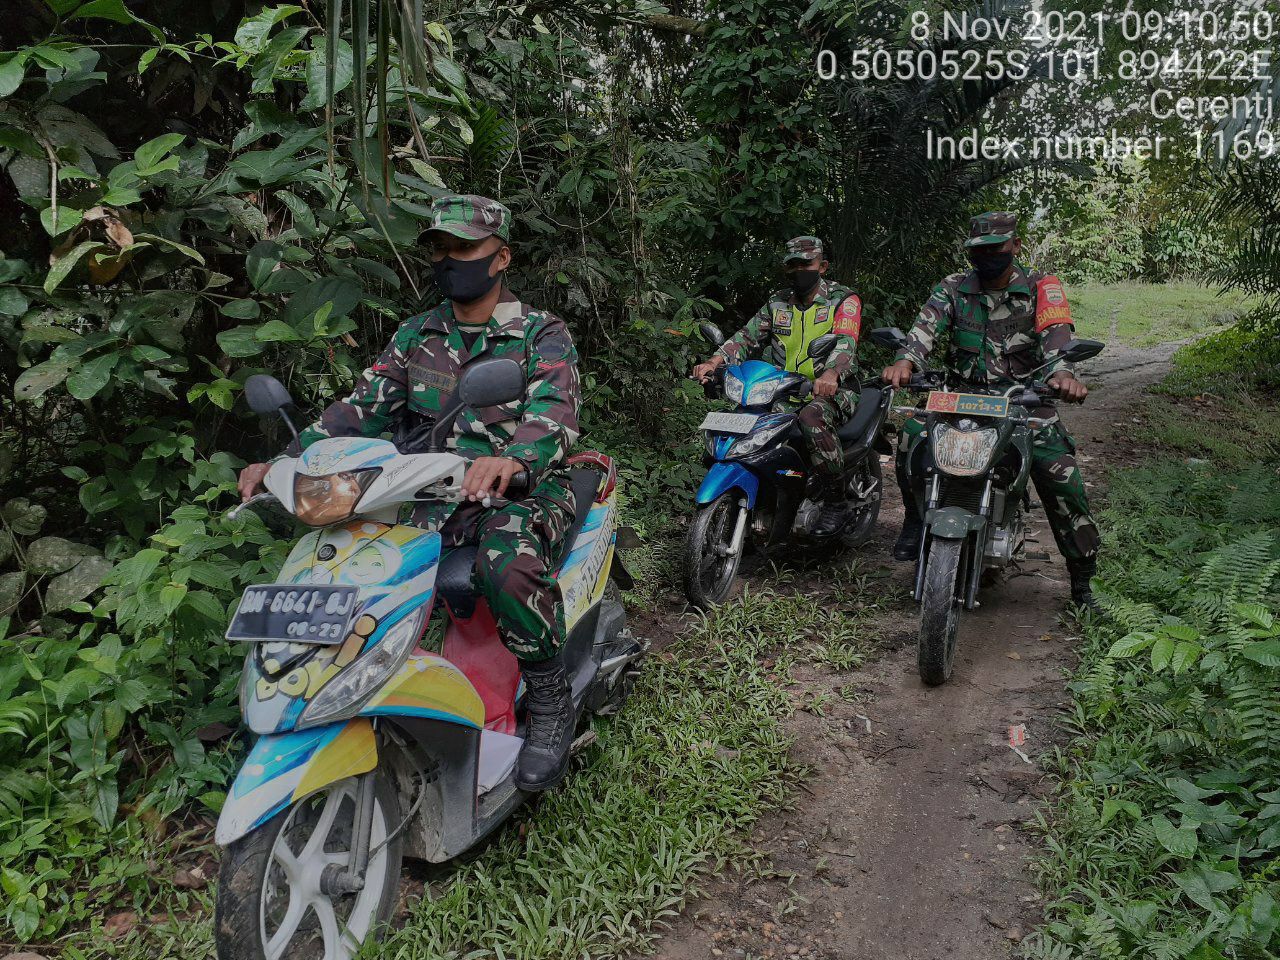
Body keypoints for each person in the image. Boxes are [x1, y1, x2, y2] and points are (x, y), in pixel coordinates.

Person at [237, 194, 582, 790]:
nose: (450, 260)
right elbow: (359, 410)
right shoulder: (417, 334)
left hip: (523, 488)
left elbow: (554, 416)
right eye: (440, 249)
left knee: (507, 565)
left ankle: (550, 700)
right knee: (340, 558)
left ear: (501, 258)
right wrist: (287, 459)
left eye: (464, 248)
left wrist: (513, 459)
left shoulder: (540, 334)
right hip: (424, 489)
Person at [882, 211, 1100, 606]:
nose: (986, 257)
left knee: (1061, 474)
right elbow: (923, 330)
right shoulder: (952, 287)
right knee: (911, 437)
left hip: (1022, 399)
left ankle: (1082, 578)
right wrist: (905, 361)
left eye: (995, 249)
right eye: (978, 251)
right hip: (960, 393)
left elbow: (1057, 340)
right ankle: (916, 518)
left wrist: (1063, 376)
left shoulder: (1041, 287)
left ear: (1015, 246)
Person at [692, 236, 865, 536]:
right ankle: (746, 502)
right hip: (781, 389)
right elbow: (746, 337)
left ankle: (837, 502)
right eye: (792, 265)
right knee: (737, 424)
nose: (799, 270)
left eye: (805, 264)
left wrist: (832, 374)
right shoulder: (778, 302)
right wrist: (715, 361)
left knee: (812, 420)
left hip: (833, 389)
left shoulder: (843, 300)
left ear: (822, 266)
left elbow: (846, 342)